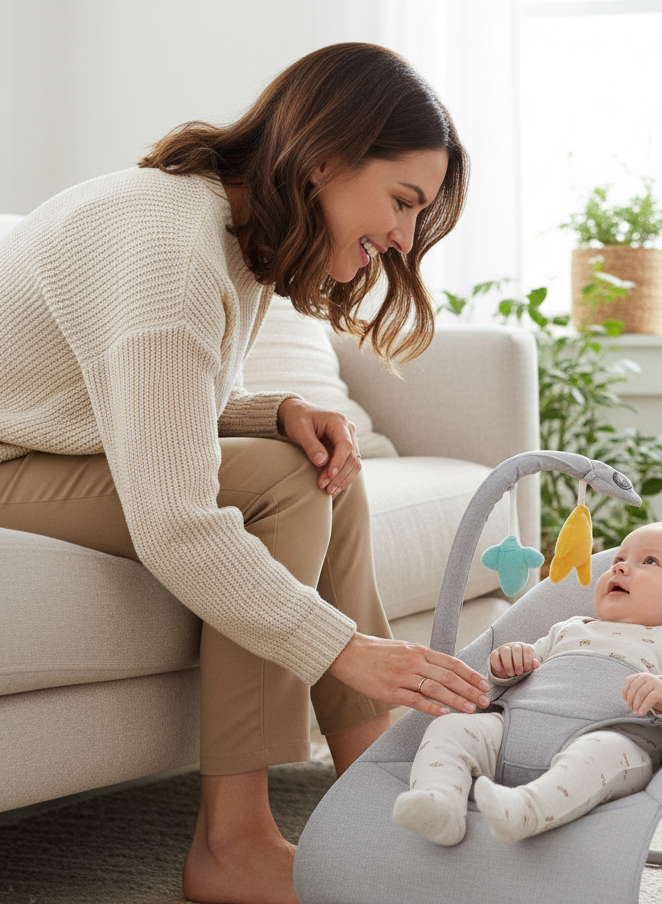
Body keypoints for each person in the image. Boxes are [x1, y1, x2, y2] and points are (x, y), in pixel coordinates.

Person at [0, 43, 492, 904]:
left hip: (41, 438)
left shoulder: (223, 227)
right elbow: (176, 523)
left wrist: (272, 412)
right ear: (326, 158)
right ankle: (235, 844)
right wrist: (348, 650)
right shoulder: (168, 246)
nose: (406, 238)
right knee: (285, 485)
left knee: (311, 460)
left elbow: (122, 391)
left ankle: (374, 790)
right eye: (402, 201)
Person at [392, 521, 662, 846]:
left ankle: (526, 810)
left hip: (608, 737)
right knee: (453, 727)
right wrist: (509, 663)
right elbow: (517, 671)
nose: (619, 567)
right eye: (619, 558)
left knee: (601, 755)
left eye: (649, 561)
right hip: (514, 730)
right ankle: (440, 804)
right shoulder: (571, 627)